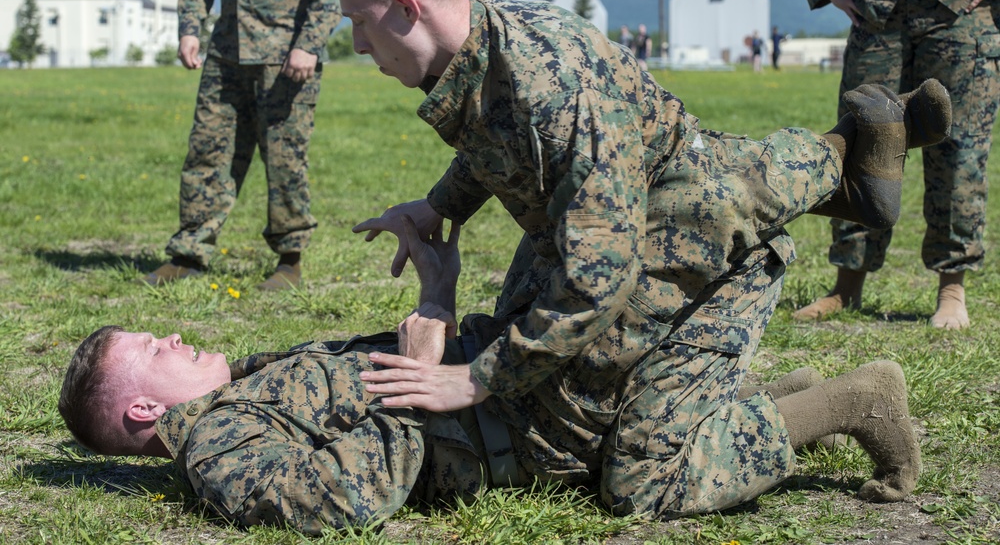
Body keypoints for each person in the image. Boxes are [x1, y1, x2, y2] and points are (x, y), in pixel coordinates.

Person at [331, 0, 942, 520]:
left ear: (408, 7)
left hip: (704, 251)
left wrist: (475, 378)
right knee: (559, 391)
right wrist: (438, 204)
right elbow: (503, 141)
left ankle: (857, 399)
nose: (355, 42)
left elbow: (598, 279)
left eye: (360, 20)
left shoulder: (554, 89)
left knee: (638, 481)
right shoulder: (486, 49)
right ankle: (844, 163)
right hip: (639, 226)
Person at [59, 216, 922, 533]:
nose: (174, 335)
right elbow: (338, 503)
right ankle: (831, 399)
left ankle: (807, 397)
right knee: (645, 477)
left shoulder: (246, 386)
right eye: (155, 348)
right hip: (513, 424)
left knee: (645, 461)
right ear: (142, 408)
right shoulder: (218, 442)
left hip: (507, 377)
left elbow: (386, 366)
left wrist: (436, 298)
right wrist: (416, 378)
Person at [789, 0, 1000, 328]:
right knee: (863, 136)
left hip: (960, 9)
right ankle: (847, 285)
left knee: (959, 149)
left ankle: (952, 288)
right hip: (877, 11)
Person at [141, 0, 347, 291]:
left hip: (287, 57)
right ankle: (189, 254)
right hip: (227, 53)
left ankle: (290, 260)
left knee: (284, 160)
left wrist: (309, 42)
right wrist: (189, 27)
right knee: (206, 151)